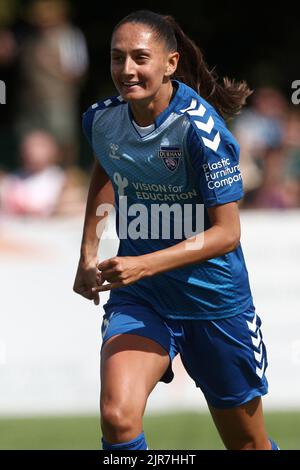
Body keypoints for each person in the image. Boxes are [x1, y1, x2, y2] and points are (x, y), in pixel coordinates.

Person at [73, 10, 279, 450]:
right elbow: (104, 170)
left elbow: (227, 233)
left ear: (170, 63)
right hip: (144, 298)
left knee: (247, 446)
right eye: (116, 58)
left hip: (213, 301)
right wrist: (87, 255)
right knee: (117, 418)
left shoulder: (200, 129)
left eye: (139, 58)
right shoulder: (101, 120)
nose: (126, 70)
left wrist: (143, 263)